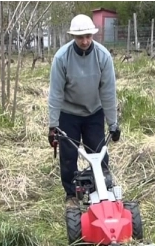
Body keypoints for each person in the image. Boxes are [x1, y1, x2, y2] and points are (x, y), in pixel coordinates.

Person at [47, 14, 121, 208]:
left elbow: (108, 92)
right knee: (69, 156)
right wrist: (53, 125)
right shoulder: (62, 58)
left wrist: (113, 123)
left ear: (92, 35)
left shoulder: (102, 56)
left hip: (93, 113)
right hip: (68, 113)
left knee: (99, 155)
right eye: (80, 37)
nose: (85, 41)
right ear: (73, 36)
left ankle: (101, 192)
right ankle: (71, 195)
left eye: (88, 36)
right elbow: (55, 93)